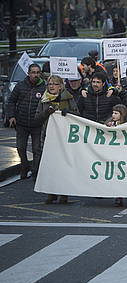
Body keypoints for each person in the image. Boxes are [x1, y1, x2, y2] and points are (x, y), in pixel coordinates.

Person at [34, 75, 78, 203]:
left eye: (54, 84)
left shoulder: (68, 98)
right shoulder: (44, 100)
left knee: (63, 165)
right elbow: (37, 118)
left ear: (61, 86)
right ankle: (51, 192)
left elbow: (78, 115)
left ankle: (63, 193)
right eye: (49, 84)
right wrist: (46, 113)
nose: (51, 86)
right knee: (49, 165)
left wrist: (68, 112)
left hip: (64, 137)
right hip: (48, 136)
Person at [7, 63, 46, 179]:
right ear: (28, 74)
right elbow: (11, 101)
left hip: (37, 124)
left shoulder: (44, 87)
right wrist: (11, 116)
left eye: (38, 73)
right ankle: (24, 166)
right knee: (20, 147)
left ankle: (35, 171)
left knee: (36, 149)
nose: (36, 75)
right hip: (21, 123)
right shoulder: (20, 86)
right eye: (33, 72)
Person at [104, 104, 127, 207]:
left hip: (122, 153)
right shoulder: (109, 124)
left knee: (120, 175)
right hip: (112, 152)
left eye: (116, 113)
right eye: (113, 113)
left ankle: (120, 196)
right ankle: (116, 195)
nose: (113, 115)